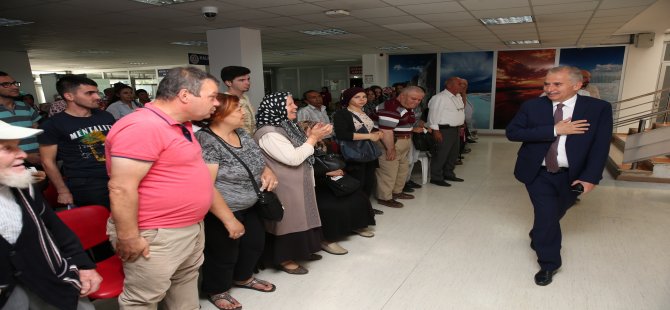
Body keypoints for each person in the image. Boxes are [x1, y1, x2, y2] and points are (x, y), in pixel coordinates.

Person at [105, 67, 222, 308]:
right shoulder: (142, 126)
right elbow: (121, 188)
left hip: (188, 226)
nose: (217, 103)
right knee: (143, 299)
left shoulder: (182, 124)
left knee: (185, 282)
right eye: (212, 96)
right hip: (156, 232)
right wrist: (128, 236)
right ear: (185, 95)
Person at [506, 66, 613, 286]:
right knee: (547, 214)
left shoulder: (598, 108)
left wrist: (591, 178)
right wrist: (554, 130)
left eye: (557, 84)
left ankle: (538, 233)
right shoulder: (532, 106)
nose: (550, 88)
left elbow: (600, 146)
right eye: (547, 83)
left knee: (554, 214)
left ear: (577, 85)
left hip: (573, 175)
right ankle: (549, 264)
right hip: (538, 172)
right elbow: (513, 132)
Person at [0, 120, 102, 310]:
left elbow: (54, 227)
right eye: (8, 148)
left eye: (18, 146)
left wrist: (83, 265)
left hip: (52, 283)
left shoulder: (21, 185)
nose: (22, 154)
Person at [194, 94, 278, 310]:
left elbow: (258, 161)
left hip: (250, 204)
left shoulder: (241, 133)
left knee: (254, 244)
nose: (243, 112)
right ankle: (217, 289)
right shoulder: (207, 140)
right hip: (223, 209)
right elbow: (206, 185)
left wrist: (268, 172)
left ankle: (243, 277)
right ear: (219, 115)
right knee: (223, 253)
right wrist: (229, 220)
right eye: (237, 109)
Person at [254, 92, 332, 274]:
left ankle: (302, 251)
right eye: (289, 104)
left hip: (299, 182)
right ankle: (285, 259)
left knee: (303, 217)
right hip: (285, 186)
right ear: (276, 107)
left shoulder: (285, 126)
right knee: (289, 222)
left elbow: (301, 146)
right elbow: (293, 158)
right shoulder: (268, 133)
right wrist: (313, 138)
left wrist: (315, 135)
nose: (295, 106)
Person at [300, 120, 376, 255]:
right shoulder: (301, 147)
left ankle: (356, 225)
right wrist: (327, 172)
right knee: (330, 206)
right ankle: (326, 240)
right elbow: (304, 169)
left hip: (330, 180)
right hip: (315, 184)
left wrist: (335, 170)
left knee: (358, 197)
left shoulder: (323, 144)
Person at [38, 75, 115, 208]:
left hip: (117, 175)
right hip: (87, 184)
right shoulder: (53, 124)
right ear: (69, 96)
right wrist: (62, 190)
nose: (97, 97)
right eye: (90, 93)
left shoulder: (105, 116)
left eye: (96, 92)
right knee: (100, 223)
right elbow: (47, 161)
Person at [374, 86, 425, 208]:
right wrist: (390, 149)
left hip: (403, 142)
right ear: (402, 95)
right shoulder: (390, 107)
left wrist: (412, 129)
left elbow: (400, 124)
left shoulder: (407, 107)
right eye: (414, 99)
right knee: (388, 171)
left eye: (419, 100)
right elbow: (386, 131)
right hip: (389, 142)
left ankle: (397, 192)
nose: (417, 102)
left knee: (402, 169)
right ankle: (384, 197)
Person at [332, 87, 383, 202]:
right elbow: (342, 134)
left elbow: (365, 130)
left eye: (364, 96)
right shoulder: (342, 114)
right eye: (357, 97)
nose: (362, 99)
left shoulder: (364, 111)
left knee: (369, 180)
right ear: (348, 99)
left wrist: (375, 133)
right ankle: (357, 207)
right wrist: (369, 136)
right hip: (354, 152)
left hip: (368, 151)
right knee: (358, 180)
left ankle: (366, 206)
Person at [427, 77, 465, 187]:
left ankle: (448, 173)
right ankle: (436, 177)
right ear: (449, 85)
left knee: (453, 154)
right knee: (441, 154)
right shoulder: (440, 98)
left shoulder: (457, 96)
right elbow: (433, 115)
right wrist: (436, 131)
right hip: (443, 130)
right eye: (459, 84)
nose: (461, 86)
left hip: (455, 130)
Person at [0, 71, 42, 168]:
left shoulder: (25, 106)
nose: (15, 87)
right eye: (6, 84)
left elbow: (37, 131)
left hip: (39, 159)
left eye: (15, 83)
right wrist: (27, 157)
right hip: (10, 165)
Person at [221, 66, 255, 134]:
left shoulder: (245, 97)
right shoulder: (225, 101)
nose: (247, 83)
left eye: (248, 79)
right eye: (241, 80)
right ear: (228, 83)